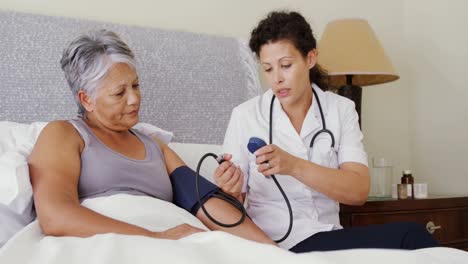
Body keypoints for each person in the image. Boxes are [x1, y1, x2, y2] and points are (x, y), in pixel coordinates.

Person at [216, 11, 438, 252]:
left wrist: (293, 165)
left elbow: (358, 191)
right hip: (274, 243)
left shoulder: (340, 109)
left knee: (412, 237)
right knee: (410, 236)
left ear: (310, 59)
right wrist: (231, 188)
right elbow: (231, 211)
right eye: (268, 69)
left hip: (329, 238)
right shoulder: (246, 116)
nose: (277, 79)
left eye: (286, 66)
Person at [27, 29, 275, 246]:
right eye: (119, 92)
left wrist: (271, 250)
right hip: (111, 242)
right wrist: (154, 238)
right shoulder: (64, 134)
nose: (134, 99)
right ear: (86, 99)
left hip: (175, 240)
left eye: (135, 86)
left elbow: (203, 201)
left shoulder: (153, 143)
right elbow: (55, 216)